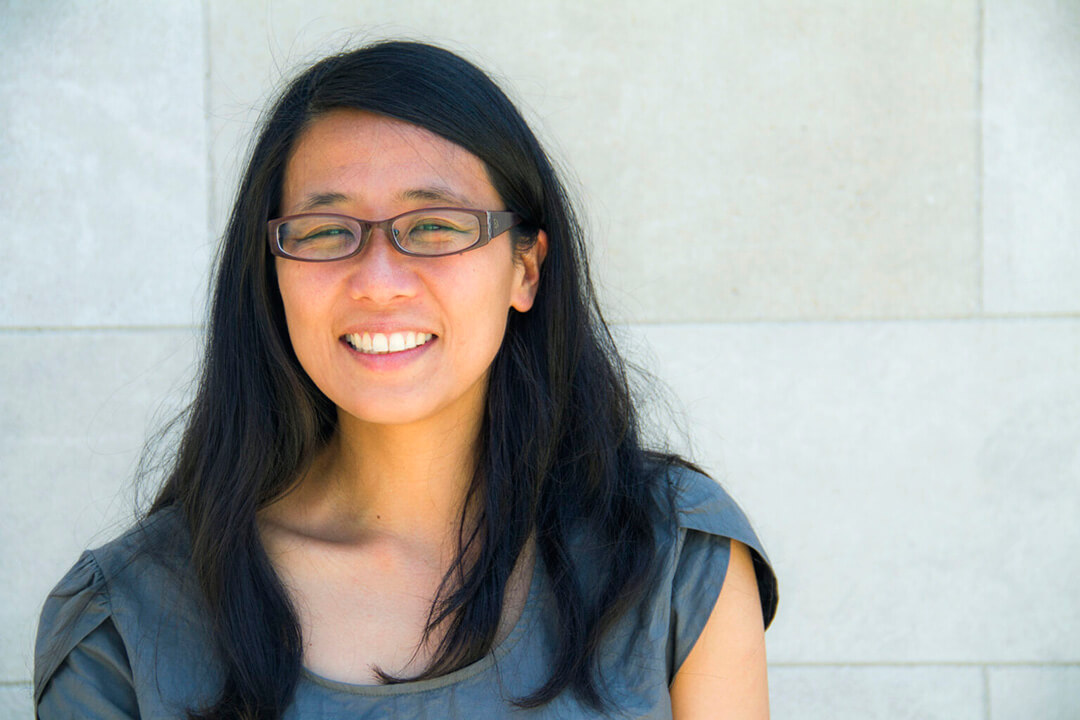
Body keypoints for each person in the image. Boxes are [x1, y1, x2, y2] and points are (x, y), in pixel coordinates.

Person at [34, 40, 778, 719]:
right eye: (327, 232)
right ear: (272, 276)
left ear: (524, 268)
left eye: (435, 226)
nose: (379, 281)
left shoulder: (670, 557)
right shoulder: (122, 624)